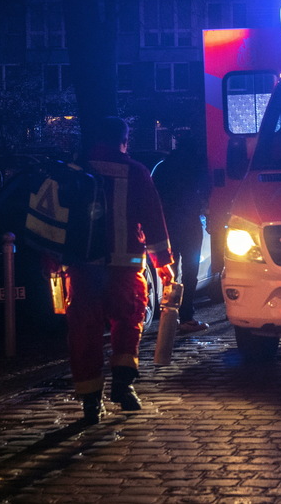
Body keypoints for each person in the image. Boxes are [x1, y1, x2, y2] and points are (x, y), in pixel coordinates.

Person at [64, 116, 176, 425]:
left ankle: (90, 402)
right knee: (128, 323)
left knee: (84, 331)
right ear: (124, 141)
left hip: (83, 268)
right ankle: (124, 387)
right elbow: (152, 221)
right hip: (124, 269)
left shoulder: (75, 170)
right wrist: (163, 265)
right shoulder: (136, 172)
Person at [151, 131, 211, 333]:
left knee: (170, 273)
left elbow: (155, 193)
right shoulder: (197, 166)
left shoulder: (163, 166)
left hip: (168, 224)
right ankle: (187, 316)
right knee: (190, 272)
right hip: (190, 224)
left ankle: (169, 318)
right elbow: (206, 191)